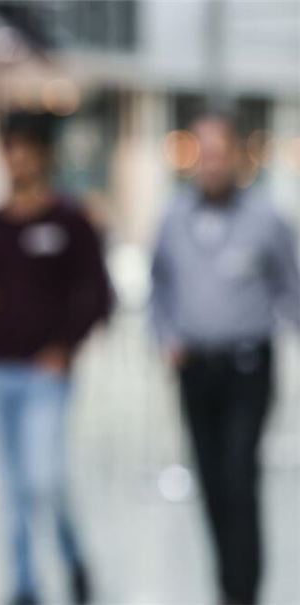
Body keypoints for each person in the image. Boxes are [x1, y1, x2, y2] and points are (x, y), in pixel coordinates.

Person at [0, 112, 111, 605]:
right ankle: (23, 583)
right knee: (12, 486)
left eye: (27, 149)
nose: (18, 159)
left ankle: (72, 555)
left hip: (45, 376)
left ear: (45, 155)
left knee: (44, 478)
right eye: (11, 148)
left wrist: (66, 348)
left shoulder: (71, 222)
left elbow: (99, 296)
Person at [150, 112, 300, 605]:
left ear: (239, 156)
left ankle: (243, 591)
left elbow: (291, 288)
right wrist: (166, 335)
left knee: (239, 476)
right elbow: (160, 286)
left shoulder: (266, 219)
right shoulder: (174, 218)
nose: (211, 163)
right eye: (204, 153)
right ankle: (226, 586)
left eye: (220, 153)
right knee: (212, 482)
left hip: (247, 367)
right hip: (195, 368)